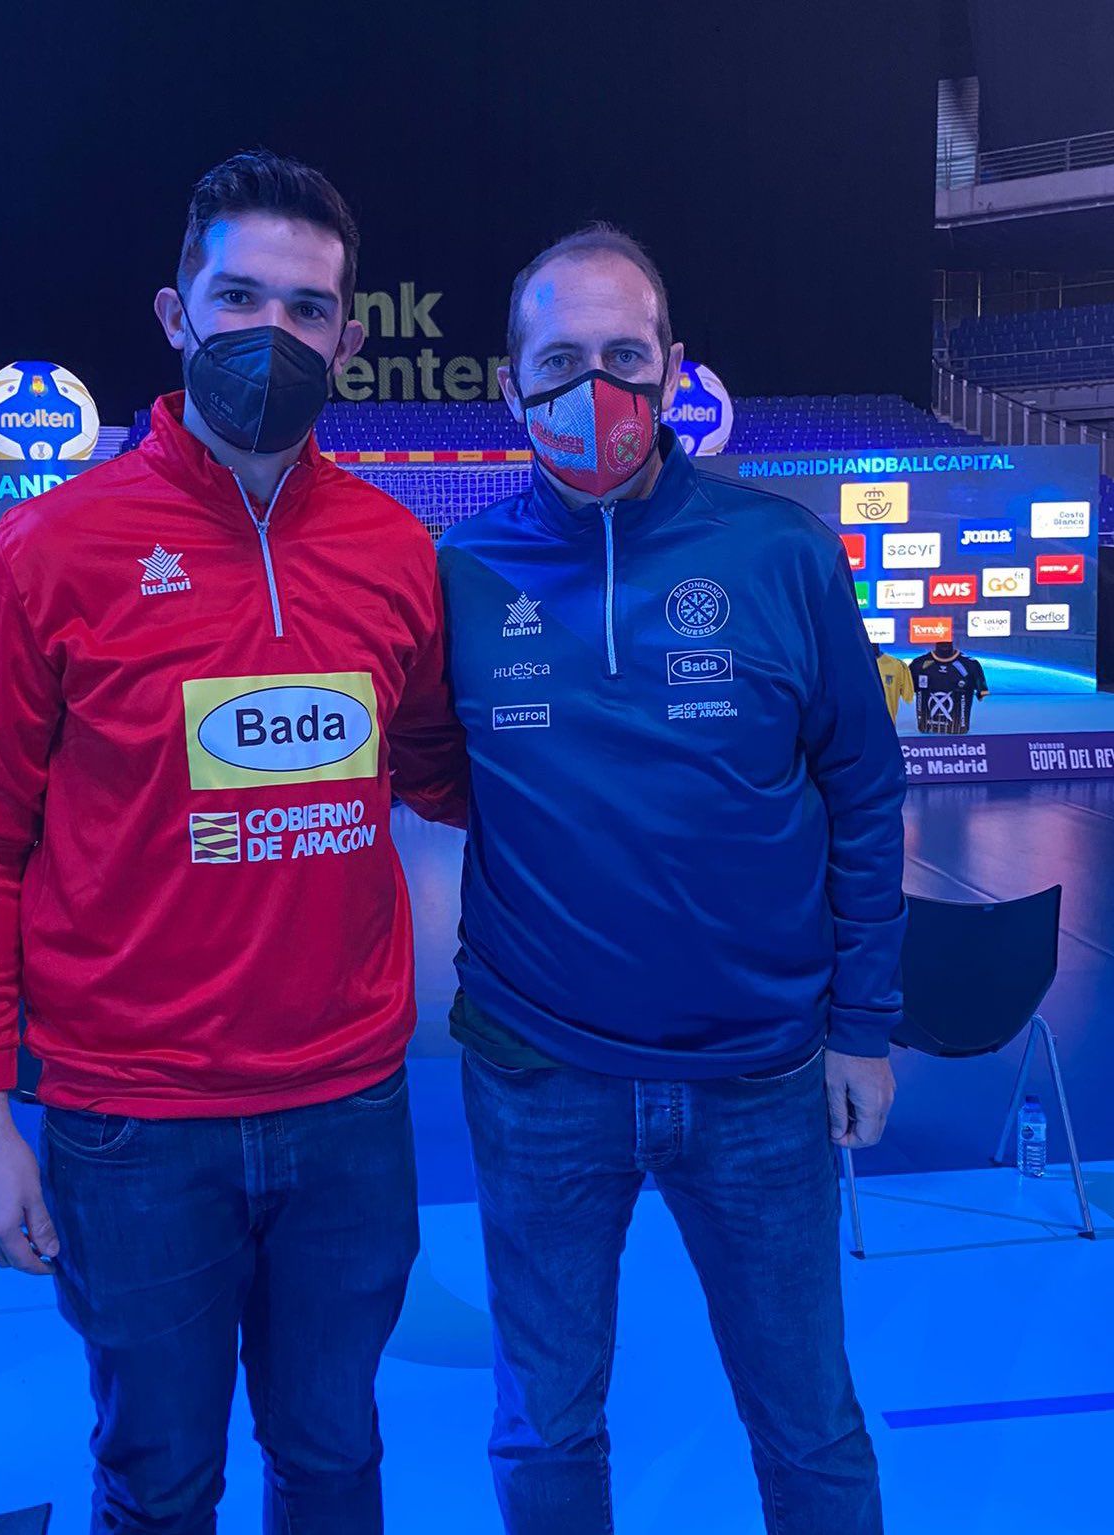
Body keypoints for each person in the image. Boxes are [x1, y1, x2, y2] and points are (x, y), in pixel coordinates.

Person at [0, 150, 465, 1535]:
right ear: (177, 315)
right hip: (133, 1128)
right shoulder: (49, 555)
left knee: (336, 1462)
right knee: (159, 1482)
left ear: (348, 337)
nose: (269, 336)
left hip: (353, 1112)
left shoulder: (399, 554)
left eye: (306, 309)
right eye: (240, 297)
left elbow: (446, 778)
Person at [437, 223, 906, 1534]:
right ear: (508, 380)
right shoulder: (460, 573)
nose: (596, 389)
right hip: (537, 1075)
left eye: (625, 356)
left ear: (674, 369)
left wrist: (863, 1025)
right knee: (543, 1429)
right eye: (562, 358)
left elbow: (865, 788)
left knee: (809, 1423)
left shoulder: (782, 555)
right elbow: (421, 768)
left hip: (763, 1075)